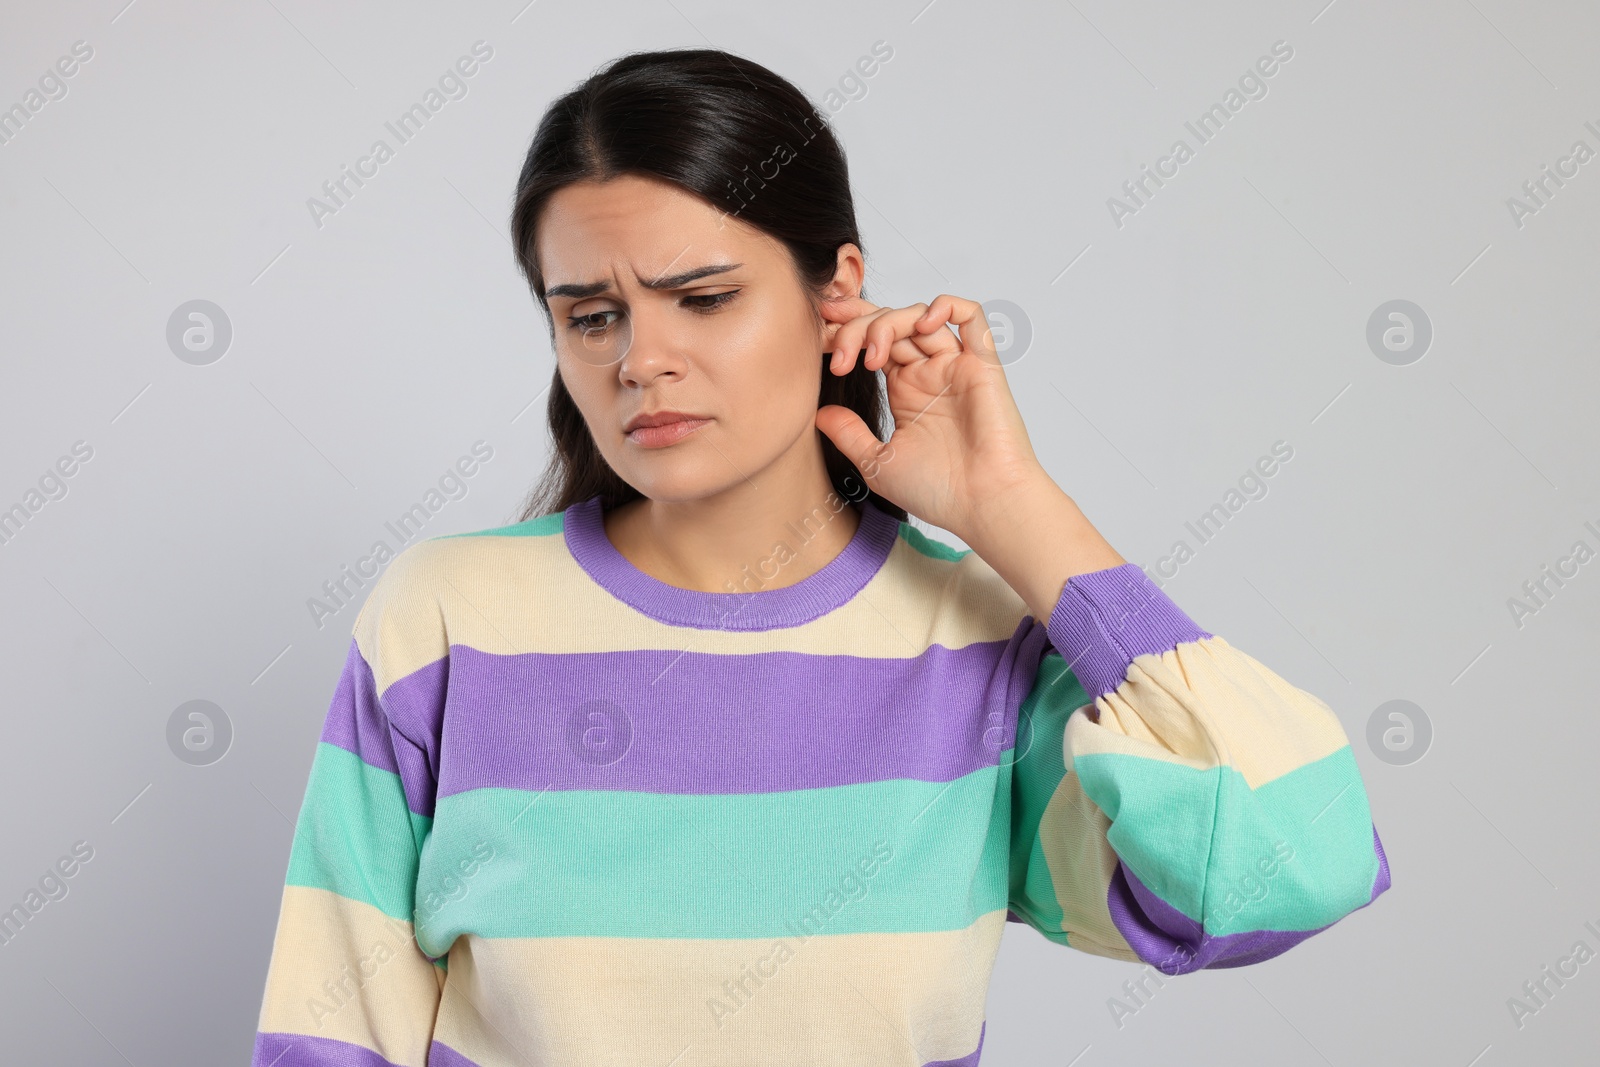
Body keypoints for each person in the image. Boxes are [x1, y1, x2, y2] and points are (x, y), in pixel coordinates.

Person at [251, 47, 1390, 1066]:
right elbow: (327, 1030)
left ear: (836, 288)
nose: (642, 358)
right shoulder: (448, 615)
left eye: (701, 297)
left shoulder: (975, 641)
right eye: (590, 316)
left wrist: (1011, 506)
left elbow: (1285, 866)